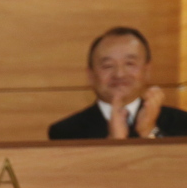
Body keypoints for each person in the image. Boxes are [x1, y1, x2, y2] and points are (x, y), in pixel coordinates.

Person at [49, 26, 187, 140]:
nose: (119, 74)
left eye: (130, 64)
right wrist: (113, 141)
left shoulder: (180, 122)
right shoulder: (65, 132)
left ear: (147, 71)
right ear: (90, 76)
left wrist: (149, 131)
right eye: (108, 66)